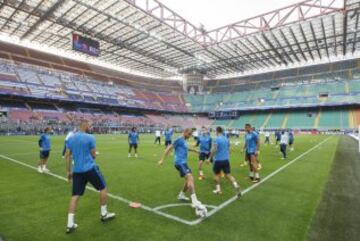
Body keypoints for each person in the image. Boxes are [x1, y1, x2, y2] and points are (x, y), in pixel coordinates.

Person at [65, 120, 115, 234]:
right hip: (89, 168)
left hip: (77, 171)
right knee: (103, 188)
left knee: (75, 196)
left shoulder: (71, 138)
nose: (91, 127)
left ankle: (70, 224)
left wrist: (68, 171)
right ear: (85, 125)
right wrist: (93, 155)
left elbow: (67, 156)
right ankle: (104, 214)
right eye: (90, 125)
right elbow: (93, 155)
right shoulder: (90, 137)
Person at [158, 128, 207, 217]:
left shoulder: (184, 140)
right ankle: (195, 201)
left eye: (191, 134)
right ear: (184, 132)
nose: (190, 136)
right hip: (179, 163)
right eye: (189, 134)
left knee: (188, 180)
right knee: (190, 178)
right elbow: (169, 148)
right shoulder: (179, 139)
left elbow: (186, 148)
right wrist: (162, 160)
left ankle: (181, 195)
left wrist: (195, 150)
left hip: (184, 163)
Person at [207, 127, 241, 196]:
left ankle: (218, 190)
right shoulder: (226, 138)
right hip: (226, 160)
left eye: (215, 131)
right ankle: (236, 185)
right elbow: (228, 148)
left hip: (218, 160)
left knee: (216, 175)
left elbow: (214, 149)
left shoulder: (216, 139)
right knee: (228, 174)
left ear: (217, 131)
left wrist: (209, 158)